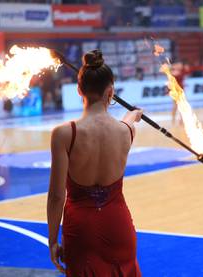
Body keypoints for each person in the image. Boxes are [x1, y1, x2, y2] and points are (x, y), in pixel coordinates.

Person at [47, 49, 143, 276]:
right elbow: (130, 121)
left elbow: (56, 197)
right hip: (119, 226)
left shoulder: (63, 134)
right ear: (110, 91)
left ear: (79, 90)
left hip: (81, 230)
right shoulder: (126, 132)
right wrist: (135, 114)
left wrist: (53, 240)